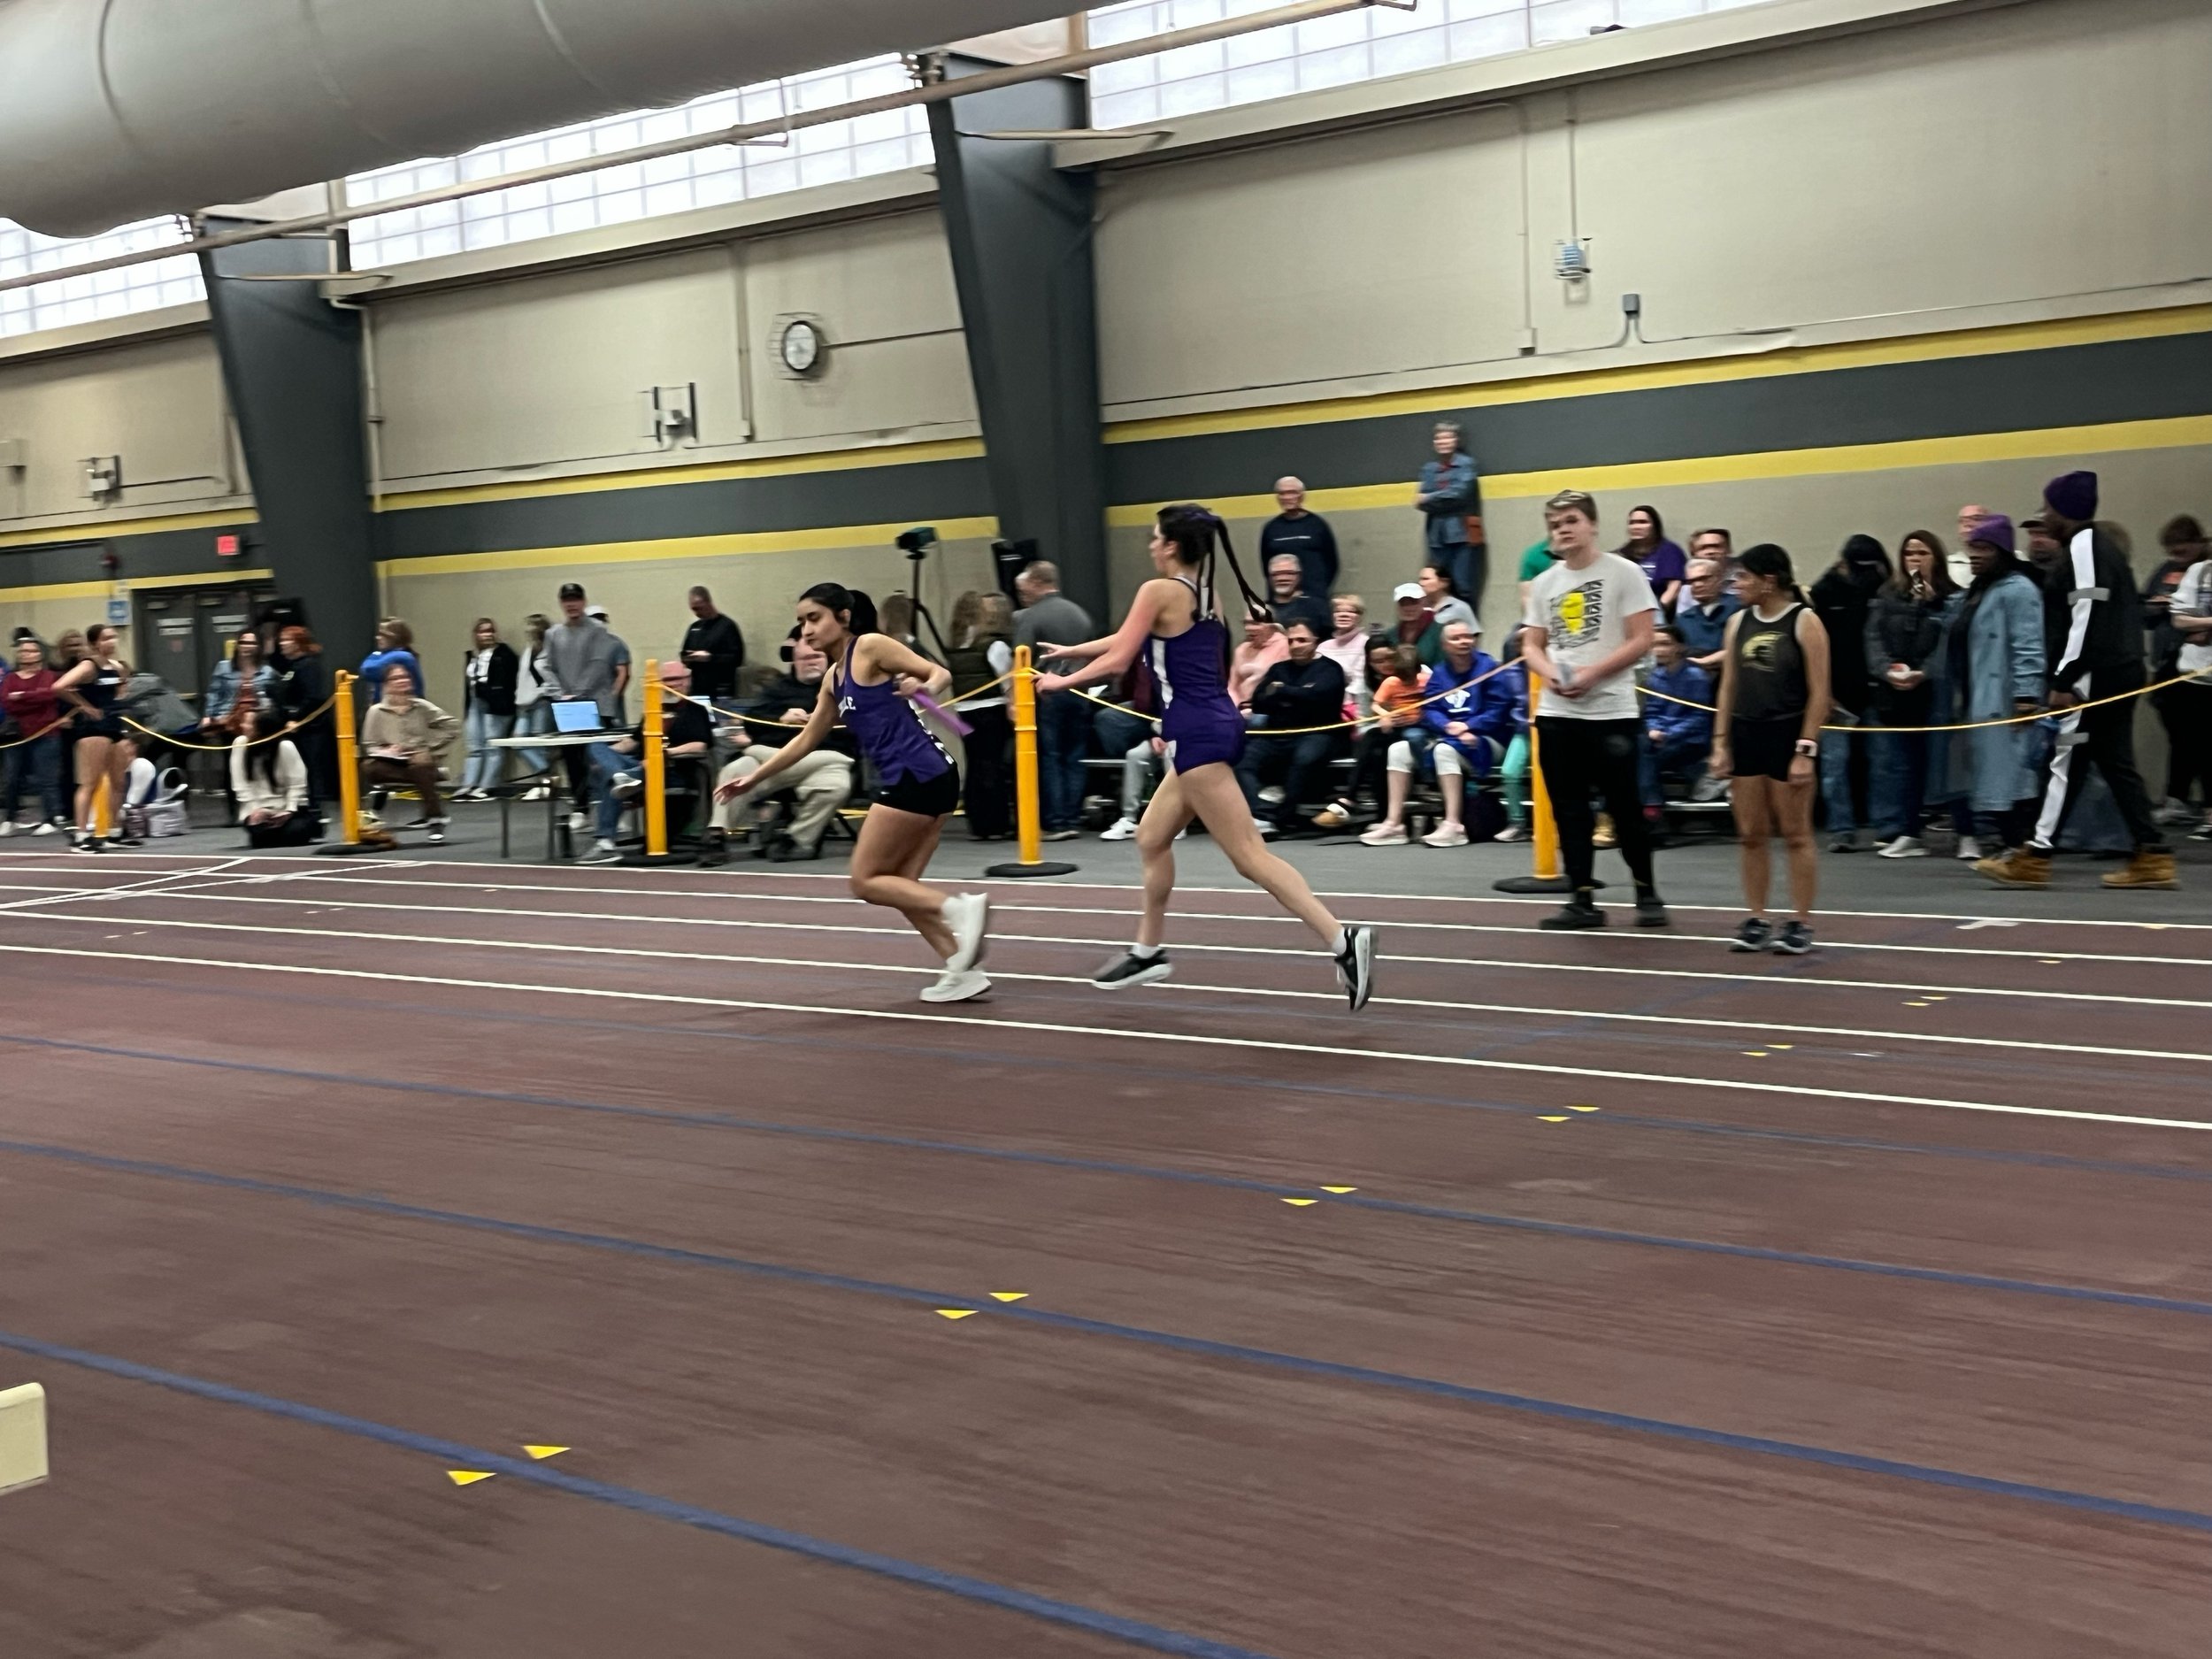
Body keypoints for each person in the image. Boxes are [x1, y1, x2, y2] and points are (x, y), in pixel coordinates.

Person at [1036, 503, 1378, 1006]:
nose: (1151, 545)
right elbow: (1128, 637)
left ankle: (1341, 939)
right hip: (1213, 724)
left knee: (1249, 856)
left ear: (1172, 545)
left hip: (1196, 733)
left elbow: (1124, 655)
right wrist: (1073, 650)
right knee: (1152, 837)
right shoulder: (1206, 593)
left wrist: (1060, 682)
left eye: (1155, 538)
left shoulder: (1157, 590)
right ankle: (1149, 950)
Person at [718, 584, 992, 1002]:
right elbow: (807, 739)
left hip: (914, 774)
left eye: (814, 618)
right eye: (801, 622)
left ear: (842, 617)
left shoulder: (870, 647)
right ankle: (961, 967)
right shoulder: (833, 677)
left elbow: (940, 672)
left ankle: (958, 908)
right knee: (900, 885)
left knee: (865, 881)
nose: (806, 630)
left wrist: (926, 689)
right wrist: (753, 779)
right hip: (930, 775)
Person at [1979, 472, 2173, 888]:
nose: (2043, 515)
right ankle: (2152, 853)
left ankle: (2035, 854)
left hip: (2094, 676)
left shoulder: (2085, 545)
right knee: (2111, 763)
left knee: (2065, 759)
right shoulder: (2096, 547)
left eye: (2048, 508)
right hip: (2117, 669)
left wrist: (2064, 679)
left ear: (2065, 511)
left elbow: (2086, 615)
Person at [1518, 490, 1669, 929]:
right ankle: (1582, 896)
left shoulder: (1624, 573)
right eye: (1555, 524)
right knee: (1569, 808)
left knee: (1625, 806)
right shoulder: (1546, 582)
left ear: (1591, 525)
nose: (1563, 529)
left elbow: (1642, 638)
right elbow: (1531, 643)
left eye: (1571, 520)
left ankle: (1646, 889)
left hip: (1611, 710)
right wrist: (1550, 674)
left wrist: (1592, 674)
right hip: (1558, 712)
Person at [1709, 545, 1832, 955]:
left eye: (1742, 578)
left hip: (1787, 734)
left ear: (1769, 581)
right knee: (1750, 835)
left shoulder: (1804, 621)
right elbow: (1729, 687)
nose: (1735, 586)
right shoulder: (1737, 623)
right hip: (1746, 734)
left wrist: (1805, 750)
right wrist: (1721, 742)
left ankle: (1800, 920)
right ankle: (1757, 916)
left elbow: (1820, 694)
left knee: (1796, 834)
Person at [1934, 517, 2047, 864]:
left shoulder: (2019, 590)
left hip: (2006, 700)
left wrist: (2026, 696)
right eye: (1972, 548)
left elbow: (2029, 645)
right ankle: (2011, 846)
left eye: (1983, 549)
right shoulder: (1981, 589)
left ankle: (2021, 848)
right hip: (1977, 697)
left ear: (2001, 550)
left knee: (2011, 779)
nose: (1975, 556)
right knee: (1990, 777)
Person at [703, 638, 857, 865]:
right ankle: (716, 835)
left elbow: (854, 735)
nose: (812, 662)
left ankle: (797, 839)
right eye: (805, 658)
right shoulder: (777, 691)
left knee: (837, 785)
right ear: (795, 661)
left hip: (822, 760)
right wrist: (781, 720)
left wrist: (820, 722)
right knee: (733, 771)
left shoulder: (843, 690)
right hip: (771, 761)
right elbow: (752, 725)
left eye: (817, 657)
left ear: (827, 659)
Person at [1359, 619, 1510, 848]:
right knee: (1398, 750)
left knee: (1443, 750)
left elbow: (1499, 708)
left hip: (1487, 738)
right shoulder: (1439, 673)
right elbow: (1431, 708)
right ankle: (1394, 823)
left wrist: (1470, 726)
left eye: (1467, 636)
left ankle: (1453, 824)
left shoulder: (1489, 668)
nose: (1463, 642)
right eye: (1456, 638)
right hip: (1448, 735)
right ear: (1444, 645)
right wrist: (1449, 727)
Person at [1864, 531, 1959, 857]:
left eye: (1922, 553)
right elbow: (1873, 636)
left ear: (1937, 557)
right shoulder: (1889, 594)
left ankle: (1968, 831)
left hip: (1937, 690)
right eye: (1908, 553)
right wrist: (1887, 669)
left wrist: (1927, 671)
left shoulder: (1951, 596)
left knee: (1949, 762)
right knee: (1903, 764)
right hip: (1898, 691)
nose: (1915, 559)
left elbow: (1950, 642)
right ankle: (1908, 830)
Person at [577, 661, 714, 864]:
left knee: (613, 779)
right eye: (667, 680)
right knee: (596, 746)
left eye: (677, 679)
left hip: (667, 768)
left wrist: (662, 754)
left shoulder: (696, 710)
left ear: (687, 681)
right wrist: (606, 757)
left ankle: (605, 842)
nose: (673, 684)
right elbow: (631, 742)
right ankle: (621, 776)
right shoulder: (654, 709)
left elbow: (700, 746)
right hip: (638, 765)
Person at [1809, 534, 1891, 851]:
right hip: (1837, 691)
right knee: (1834, 764)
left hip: (1876, 688)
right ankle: (1841, 828)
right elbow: (1816, 648)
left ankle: (1887, 825)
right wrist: (1823, 692)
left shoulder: (1883, 588)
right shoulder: (1824, 593)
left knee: (1882, 761)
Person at [1235, 618, 1347, 838]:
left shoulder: (1330, 669)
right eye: (1291, 640)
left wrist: (1282, 691)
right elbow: (1258, 702)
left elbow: (1321, 700)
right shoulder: (1279, 668)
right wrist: (1298, 693)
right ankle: (1263, 814)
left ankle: (1283, 817)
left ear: (1316, 642)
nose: (1295, 645)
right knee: (1242, 761)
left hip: (1317, 733)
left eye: (1302, 640)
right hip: (1277, 734)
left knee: (1303, 759)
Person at [1013, 560, 1096, 842]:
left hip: (1046, 694)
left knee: (1050, 757)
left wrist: (1013, 700)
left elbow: (1020, 659)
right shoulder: (1081, 614)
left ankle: (1056, 821)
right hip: (1080, 693)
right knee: (1074, 757)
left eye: (1024, 591)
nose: (1023, 597)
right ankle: (1072, 817)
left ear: (1037, 583)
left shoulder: (1029, 616)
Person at [1317, 638, 1423, 832]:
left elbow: (1434, 701)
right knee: (1376, 748)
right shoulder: (1364, 684)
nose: (1384, 665)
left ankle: (1350, 799)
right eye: (1377, 661)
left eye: (1388, 658)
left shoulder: (1418, 672)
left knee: (1377, 745)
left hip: (1415, 728)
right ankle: (1383, 816)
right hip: (1380, 732)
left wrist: (1416, 718)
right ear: (1368, 661)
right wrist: (1383, 719)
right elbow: (1364, 721)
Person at [2144, 515, 2209, 822]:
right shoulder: (2167, 571)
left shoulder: (2204, 573)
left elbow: (2191, 619)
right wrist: (2156, 606)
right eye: (2172, 553)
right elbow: (2147, 610)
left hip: (2200, 666)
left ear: (2198, 544)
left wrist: (2192, 622)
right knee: (2181, 735)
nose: (2176, 559)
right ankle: (2178, 797)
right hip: (2169, 664)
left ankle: (2192, 799)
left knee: (2198, 737)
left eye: (2182, 552)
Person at [543, 582, 623, 829]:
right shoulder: (553, 634)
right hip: (567, 706)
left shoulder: (598, 630)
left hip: (597, 704)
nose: (572, 604)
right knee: (573, 759)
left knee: (603, 757)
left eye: (576, 599)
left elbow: (599, 665)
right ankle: (581, 808)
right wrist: (560, 694)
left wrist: (577, 694)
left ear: (583, 601)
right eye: (567, 600)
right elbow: (546, 666)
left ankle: (616, 813)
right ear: (561, 603)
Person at [53, 624, 132, 854]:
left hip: (114, 727)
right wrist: (85, 706)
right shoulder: (88, 666)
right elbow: (59, 686)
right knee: (90, 782)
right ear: (95, 642)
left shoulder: (117, 667)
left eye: (113, 637)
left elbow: (120, 692)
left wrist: (122, 692)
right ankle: (80, 836)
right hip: (92, 728)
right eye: (106, 638)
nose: (112, 642)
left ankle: (111, 832)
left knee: (118, 782)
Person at [359, 664, 458, 843]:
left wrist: (431, 747)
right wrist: (387, 750)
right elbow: (369, 745)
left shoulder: (421, 707)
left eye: (406, 677)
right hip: (390, 760)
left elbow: (452, 726)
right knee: (369, 766)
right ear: (387, 684)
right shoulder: (376, 711)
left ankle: (435, 818)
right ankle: (430, 781)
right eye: (396, 678)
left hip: (418, 756)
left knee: (421, 764)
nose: (402, 681)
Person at [949, 590, 1015, 841]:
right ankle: (996, 823)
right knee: (994, 767)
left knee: (975, 767)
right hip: (991, 710)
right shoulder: (993, 645)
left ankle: (978, 823)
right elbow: (1007, 679)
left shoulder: (957, 644)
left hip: (964, 711)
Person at [2162, 525, 2212, 842]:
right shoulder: (2200, 572)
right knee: (2200, 748)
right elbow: (2178, 619)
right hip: (2197, 674)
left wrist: (2201, 625)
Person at [1640, 626, 1714, 812]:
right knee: (1639, 749)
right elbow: (1652, 711)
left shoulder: (1695, 676)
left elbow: (1699, 716)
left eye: (1665, 644)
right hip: (1661, 738)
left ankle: (1652, 808)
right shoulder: (1655, 677)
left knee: (1644, 758)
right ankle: (1651, 808)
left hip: (1691, 740)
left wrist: (1668, 733)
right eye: (1655, 645)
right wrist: (1653, 729)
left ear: (1679, 647)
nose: (1659, 650)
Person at [1416, 421, 1486, 614]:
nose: (1442, 442)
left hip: (1463, 533)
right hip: (1436, 534)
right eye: (1438, 438)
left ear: (1456, 441)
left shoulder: (1466, 464)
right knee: (1436, 585)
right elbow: (1420, 502)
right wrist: (1434, 499)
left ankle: (1468, 629)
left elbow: (1461, 494)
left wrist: (1431, 498)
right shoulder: (1429, 469)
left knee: (1463, 585)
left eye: (1447, 437)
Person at [1, 634, 66, 834]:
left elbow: (48, 695)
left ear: (39, 654)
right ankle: (10, 818)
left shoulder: (48, 676)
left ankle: (50, 818)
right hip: (16, 734)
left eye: (30, 650)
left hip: (46, 733)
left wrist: (22, 696)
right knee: (12, 778)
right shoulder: (11, 678)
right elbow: (6, 701)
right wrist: (31, 698)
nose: (26, 654)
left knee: (46, 778)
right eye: (22, 651)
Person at [230, 703, 319, 847]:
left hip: (286, 809)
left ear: (261, 730)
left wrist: (288, 810)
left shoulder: (285, 747)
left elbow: (297, 784)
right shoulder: (240, 745)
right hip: (257, 810)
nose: (243, 727)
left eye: (249, 724)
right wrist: (255, 811)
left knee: (295, 832)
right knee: (260, 836)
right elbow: (240, 785)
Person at [452, 618, 519, 802]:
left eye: (490, 631)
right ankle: (469, 784)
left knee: (493, 745)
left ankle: (487, 786)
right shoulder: (472, 655)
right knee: (474, 745)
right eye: (482, 631)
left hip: (496, 705)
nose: (487, 635)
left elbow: (509, 681)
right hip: (475, 702)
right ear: (476, 635)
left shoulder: (504, 654)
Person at [269, 624, 335, 802]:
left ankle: (316, 808)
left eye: (286, 640)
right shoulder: (293, 666)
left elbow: (314, 697)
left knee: (312, 768)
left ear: (298, 643)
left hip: (311, 728)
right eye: (281, 640)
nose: (282, 644)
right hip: (298, 726)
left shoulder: (309, 666)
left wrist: (297, 718)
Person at [1260, 476, 1339, 598]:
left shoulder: (1317, 524)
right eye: (1282, 493)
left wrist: (1319, 589)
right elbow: (1266, 566)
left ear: (1301, 495)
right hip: (1281, 600)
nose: (1287, 497)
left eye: (1292, 493)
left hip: (1315, 597)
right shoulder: (1271, 528)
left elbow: (1332, 562)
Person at [202, 629, 273, 740]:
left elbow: (270, 699)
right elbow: (214, 694)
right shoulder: (223, 667)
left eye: (251, 643)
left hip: (256, 718)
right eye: (243, 642)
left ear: (258, 647)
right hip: (228, 715)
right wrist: (208, 716)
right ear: (237, 645)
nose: (246, 646)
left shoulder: (267, 671)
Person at [511, 613, 555, 795]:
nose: (527, 629)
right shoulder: (529, 650)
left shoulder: (551, 649)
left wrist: (542, 692)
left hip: (542, 701)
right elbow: (522, 677)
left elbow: (553, 676)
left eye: (531, 626)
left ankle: (544, 785)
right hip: (524, 702)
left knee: (540, 743)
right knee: (518, 741)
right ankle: (548, 774)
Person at [680, 586, 746, 704]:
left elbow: (737, 658)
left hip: (721, 689)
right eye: (693, 609)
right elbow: (684, 652)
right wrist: (688, 658)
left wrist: (710, 658)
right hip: (698, 688)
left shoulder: (727, 626)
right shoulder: (694, 627)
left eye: (700, 608)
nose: (697, 613)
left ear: (708, 602)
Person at [1673, 557, 1740, 673]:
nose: (1697, 585)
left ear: (1719, 578)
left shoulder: (1738, 606)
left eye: (1704, 578)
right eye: (1692, 581)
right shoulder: (1683, 619)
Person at [1620, 505, 1687, 614]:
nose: (1636, 527)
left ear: (1654, 526)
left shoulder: (1669, 550)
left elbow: (1674, 587)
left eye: (1642, 522)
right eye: (1632, 523)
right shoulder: (1622, 554)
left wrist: (1657, 610)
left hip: (1656, 608)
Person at [1314, 595, 1371, 718]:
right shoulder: (1323, 647)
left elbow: (1360, 682)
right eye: (1338, 611)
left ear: (1359, 616)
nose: (1343, 615)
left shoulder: (1366, 643)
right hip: (1325, 705)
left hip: (1357, 707)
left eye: (1350, 611)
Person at [585, 603, 633, 723]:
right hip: (587, 701)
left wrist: (612, 696)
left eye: (601, 618)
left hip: (609, 702)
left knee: (614, 734)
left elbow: (623, 673)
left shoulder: (615, 644)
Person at [1228, 613, 1287, 709]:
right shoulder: (1241, 649)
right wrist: (1233, 707)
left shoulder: (1284, 645)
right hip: (1240, 706)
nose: (1248, 628)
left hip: (1267, 706)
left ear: (1272, 625)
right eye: (1246, 623)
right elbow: (1232, 686)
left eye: (1255, 623)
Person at [1265, 554, 1332, 638]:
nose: (1282, 578)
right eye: (1276, 574)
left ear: (1299, 576)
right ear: (1269, 578)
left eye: (1289, 573)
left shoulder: (1318, 607)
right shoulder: (1262, 610)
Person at [358, 618, 424, 703]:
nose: (378, 638)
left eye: (383, 635)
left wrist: (374, 656)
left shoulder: (404, 656)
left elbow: (369, 670)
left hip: (405, 709)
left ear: (396, 637)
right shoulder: (381, 655)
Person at [1389, 581, 1445, 665]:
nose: (1408, 608)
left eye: (1413, 602)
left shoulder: (1440, 632)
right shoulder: (1391, 635)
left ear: (1424, 602)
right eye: (1403, 603)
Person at [1417, 562, 1478, 635]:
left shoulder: (1459, 607)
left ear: (1444, 582)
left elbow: (1474, 634)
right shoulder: (1418, 608)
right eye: (1420, 579)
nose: (1420, 583)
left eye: (1426, 579)